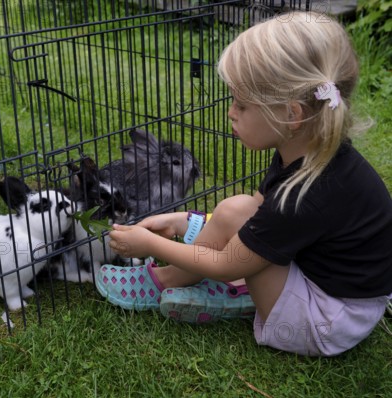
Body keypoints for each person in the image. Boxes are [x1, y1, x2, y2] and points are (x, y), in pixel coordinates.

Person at [95, 11, 392, 357]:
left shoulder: (301, 195)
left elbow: (227, 263)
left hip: (327, 322)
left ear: (292, 115)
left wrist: (150, 244)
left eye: (242, 104)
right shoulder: (310, 153)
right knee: (238, 208)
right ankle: (190, 276)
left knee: (236, 249)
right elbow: (254, 216)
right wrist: (182, 222)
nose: (231, 113)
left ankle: (168, 280)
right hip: (339, 291)